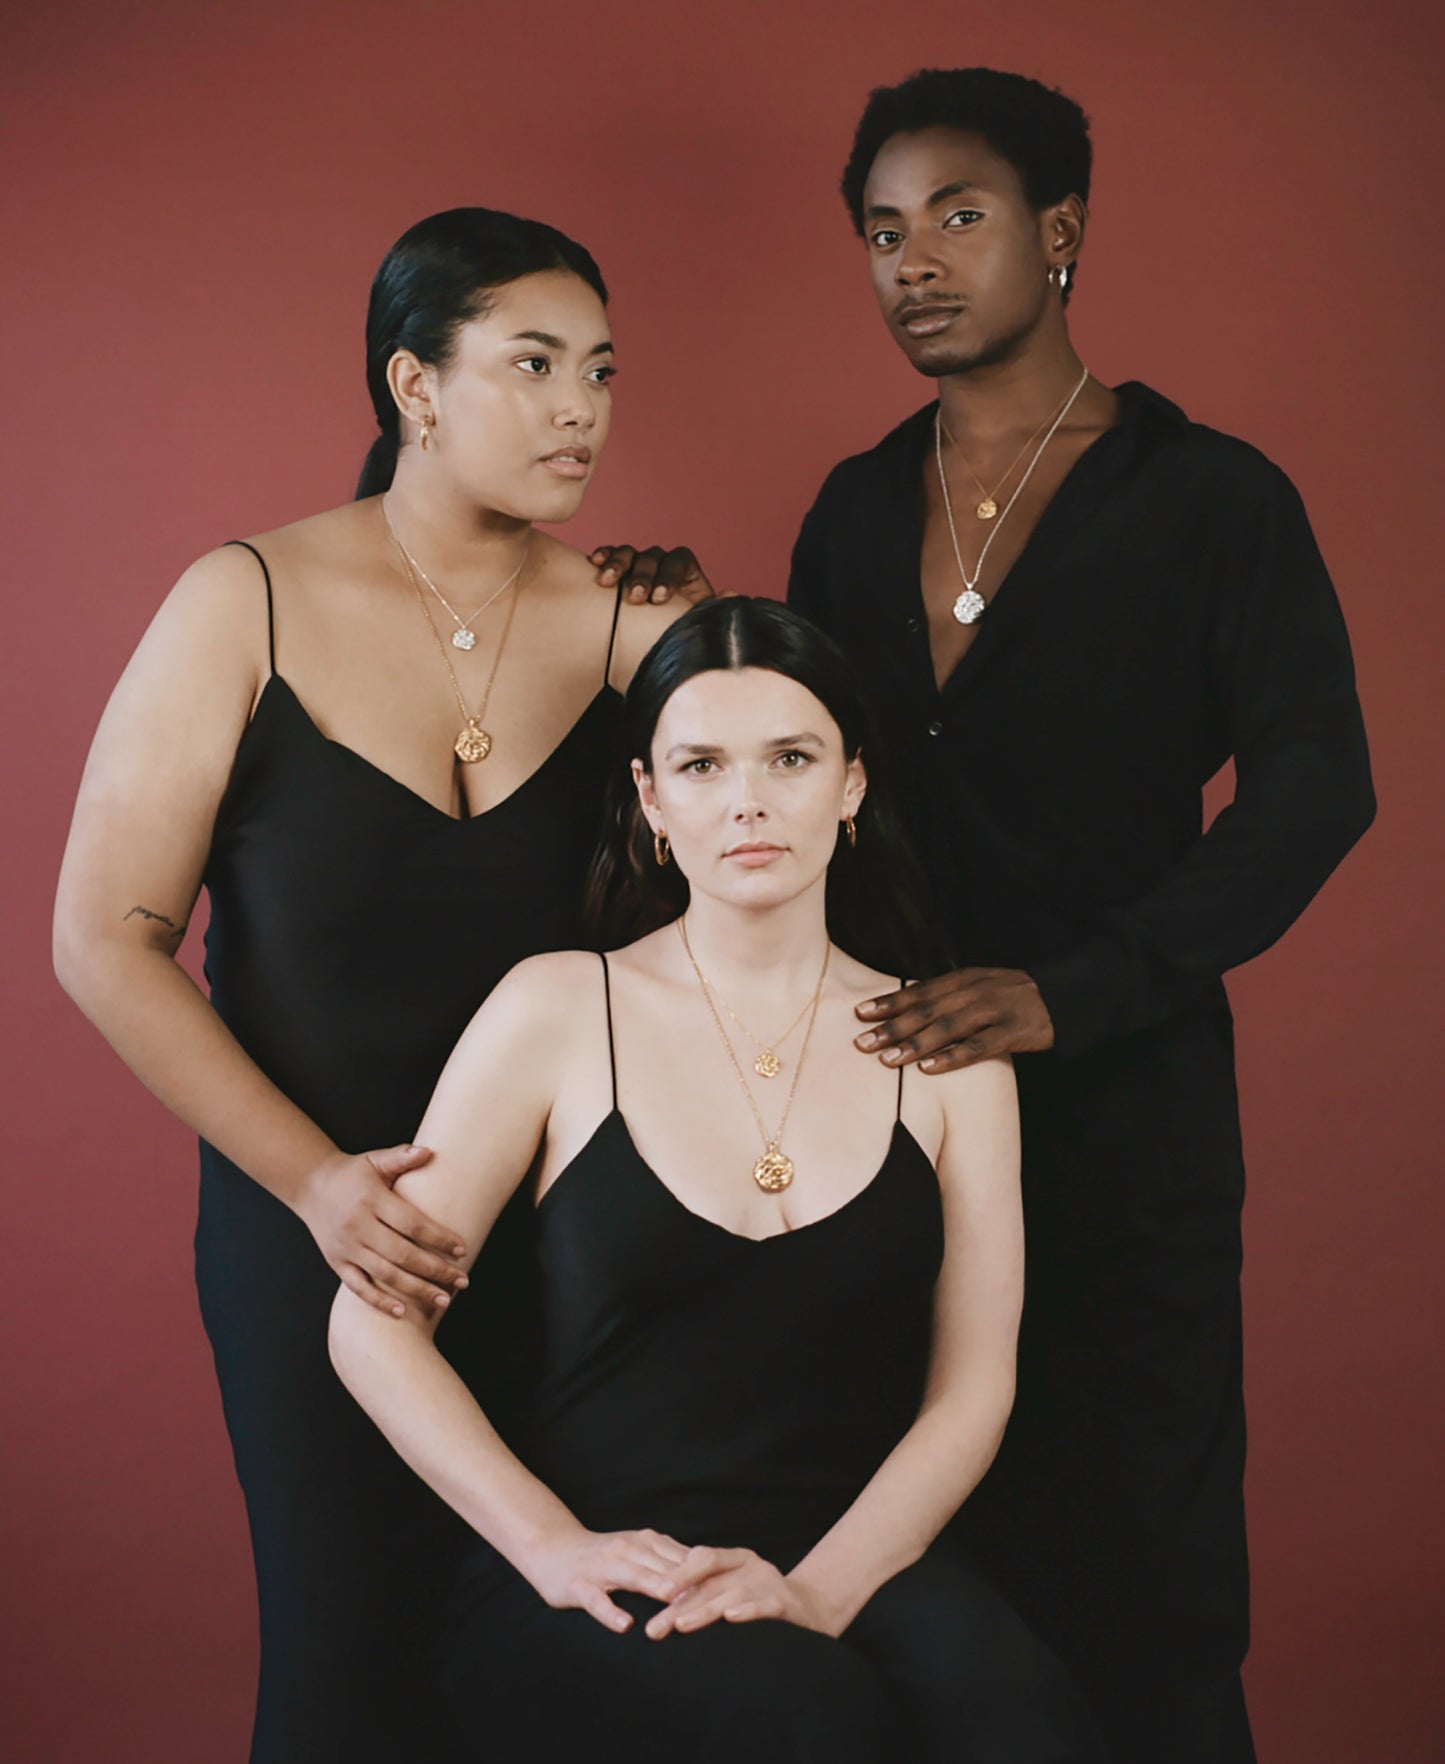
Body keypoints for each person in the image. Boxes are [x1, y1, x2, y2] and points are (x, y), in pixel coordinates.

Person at [593, 67, 1375, 1764]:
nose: (914, 262)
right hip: (880, 1123)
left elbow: (1322, 787)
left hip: (1123, 1116)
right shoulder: (856, 503)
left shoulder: (1210, 497)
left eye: (959, 214)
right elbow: (800, 766)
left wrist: (1080, 988)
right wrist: (680, 620)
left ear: (1063, 232)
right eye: (882, 230)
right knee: (915, 1581)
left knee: (1147, 1583)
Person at [52, 207, 697, 1762]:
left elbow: (774, 856)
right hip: (314, 1244)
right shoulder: (245, 602)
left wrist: (716, 649)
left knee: (576, 1673)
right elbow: (101, 942)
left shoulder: (635, 619)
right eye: (532, 364)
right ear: (414, 387)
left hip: (575, 1250)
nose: (580, 408)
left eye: (600, 372)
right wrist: (320, 1189)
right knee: (348, 1679)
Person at [329, 596, 1102, 1763]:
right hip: (602, 1562)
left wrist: (816, 1593)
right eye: (700, 764)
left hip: (854, 1550)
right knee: (800, 1722)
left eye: (789, 759)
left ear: (849, 787)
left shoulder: (945, 1059)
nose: (746, 799)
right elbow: (370, 1328)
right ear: (650, 800)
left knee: (1027, 1720)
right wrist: (549, 1546)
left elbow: (968, 1396)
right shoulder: (556, 1008)